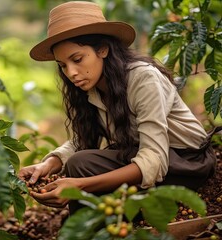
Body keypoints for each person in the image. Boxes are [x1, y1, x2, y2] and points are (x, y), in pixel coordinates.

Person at [18, 1, 216, 213]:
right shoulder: (91, 87)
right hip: (142, 155)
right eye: (63, 65)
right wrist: (48, 165)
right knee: (80, 163)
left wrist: (80, 185)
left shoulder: (143, 79)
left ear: (102, 49)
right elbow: (81, 140)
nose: (71, 72)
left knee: (80, 167)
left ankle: (89, 227)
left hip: (186, 163)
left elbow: (154, 159)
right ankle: (89, 227)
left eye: (77, 59)